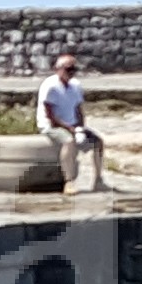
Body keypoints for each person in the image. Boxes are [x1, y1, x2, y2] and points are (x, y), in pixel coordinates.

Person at [40, 51, 100, 186]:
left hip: (72, 125)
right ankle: (69, 181)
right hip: (52, 126)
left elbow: (78, 110)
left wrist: (80, 127)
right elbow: (50, 115)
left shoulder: (75, 86)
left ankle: (98, 179)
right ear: (58, 69)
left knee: (98, 142)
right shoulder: (50, 86)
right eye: (68, 69)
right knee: (69, 141)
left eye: (74, 69)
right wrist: (69, 128)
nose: (71, 73)